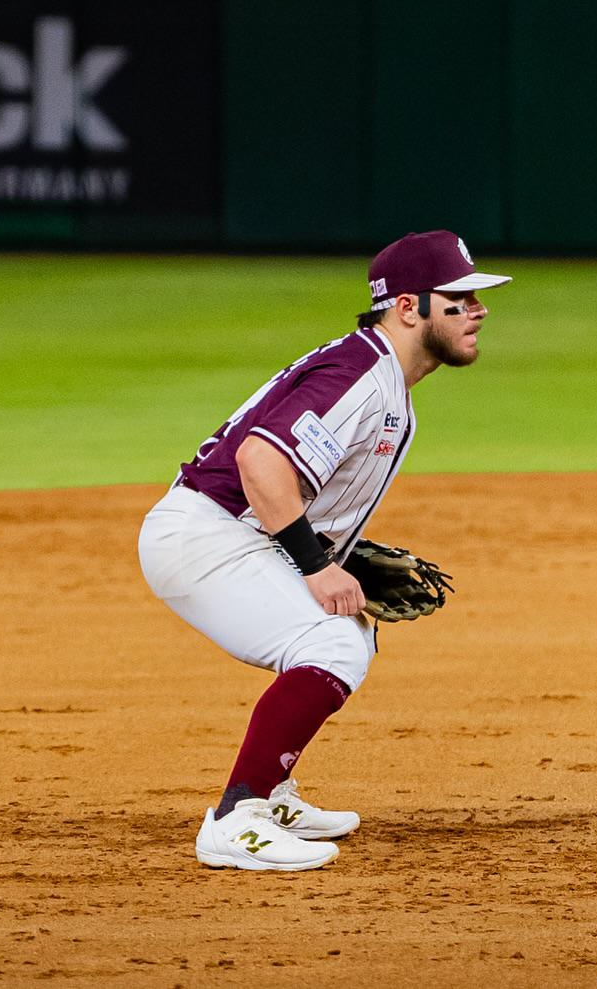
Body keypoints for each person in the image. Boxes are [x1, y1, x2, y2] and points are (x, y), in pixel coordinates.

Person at [138, 230, 511, 871]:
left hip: (230, 533)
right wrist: (314, 566)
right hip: (205, 535)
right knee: (329, 641)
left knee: (349, 631)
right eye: (460, 298)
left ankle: (271, 790)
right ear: (407, 307)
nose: (478, 310)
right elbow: (260, 461)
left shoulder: (385, 380)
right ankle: (238, 817)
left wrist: (342, 556)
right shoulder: (360, 374)